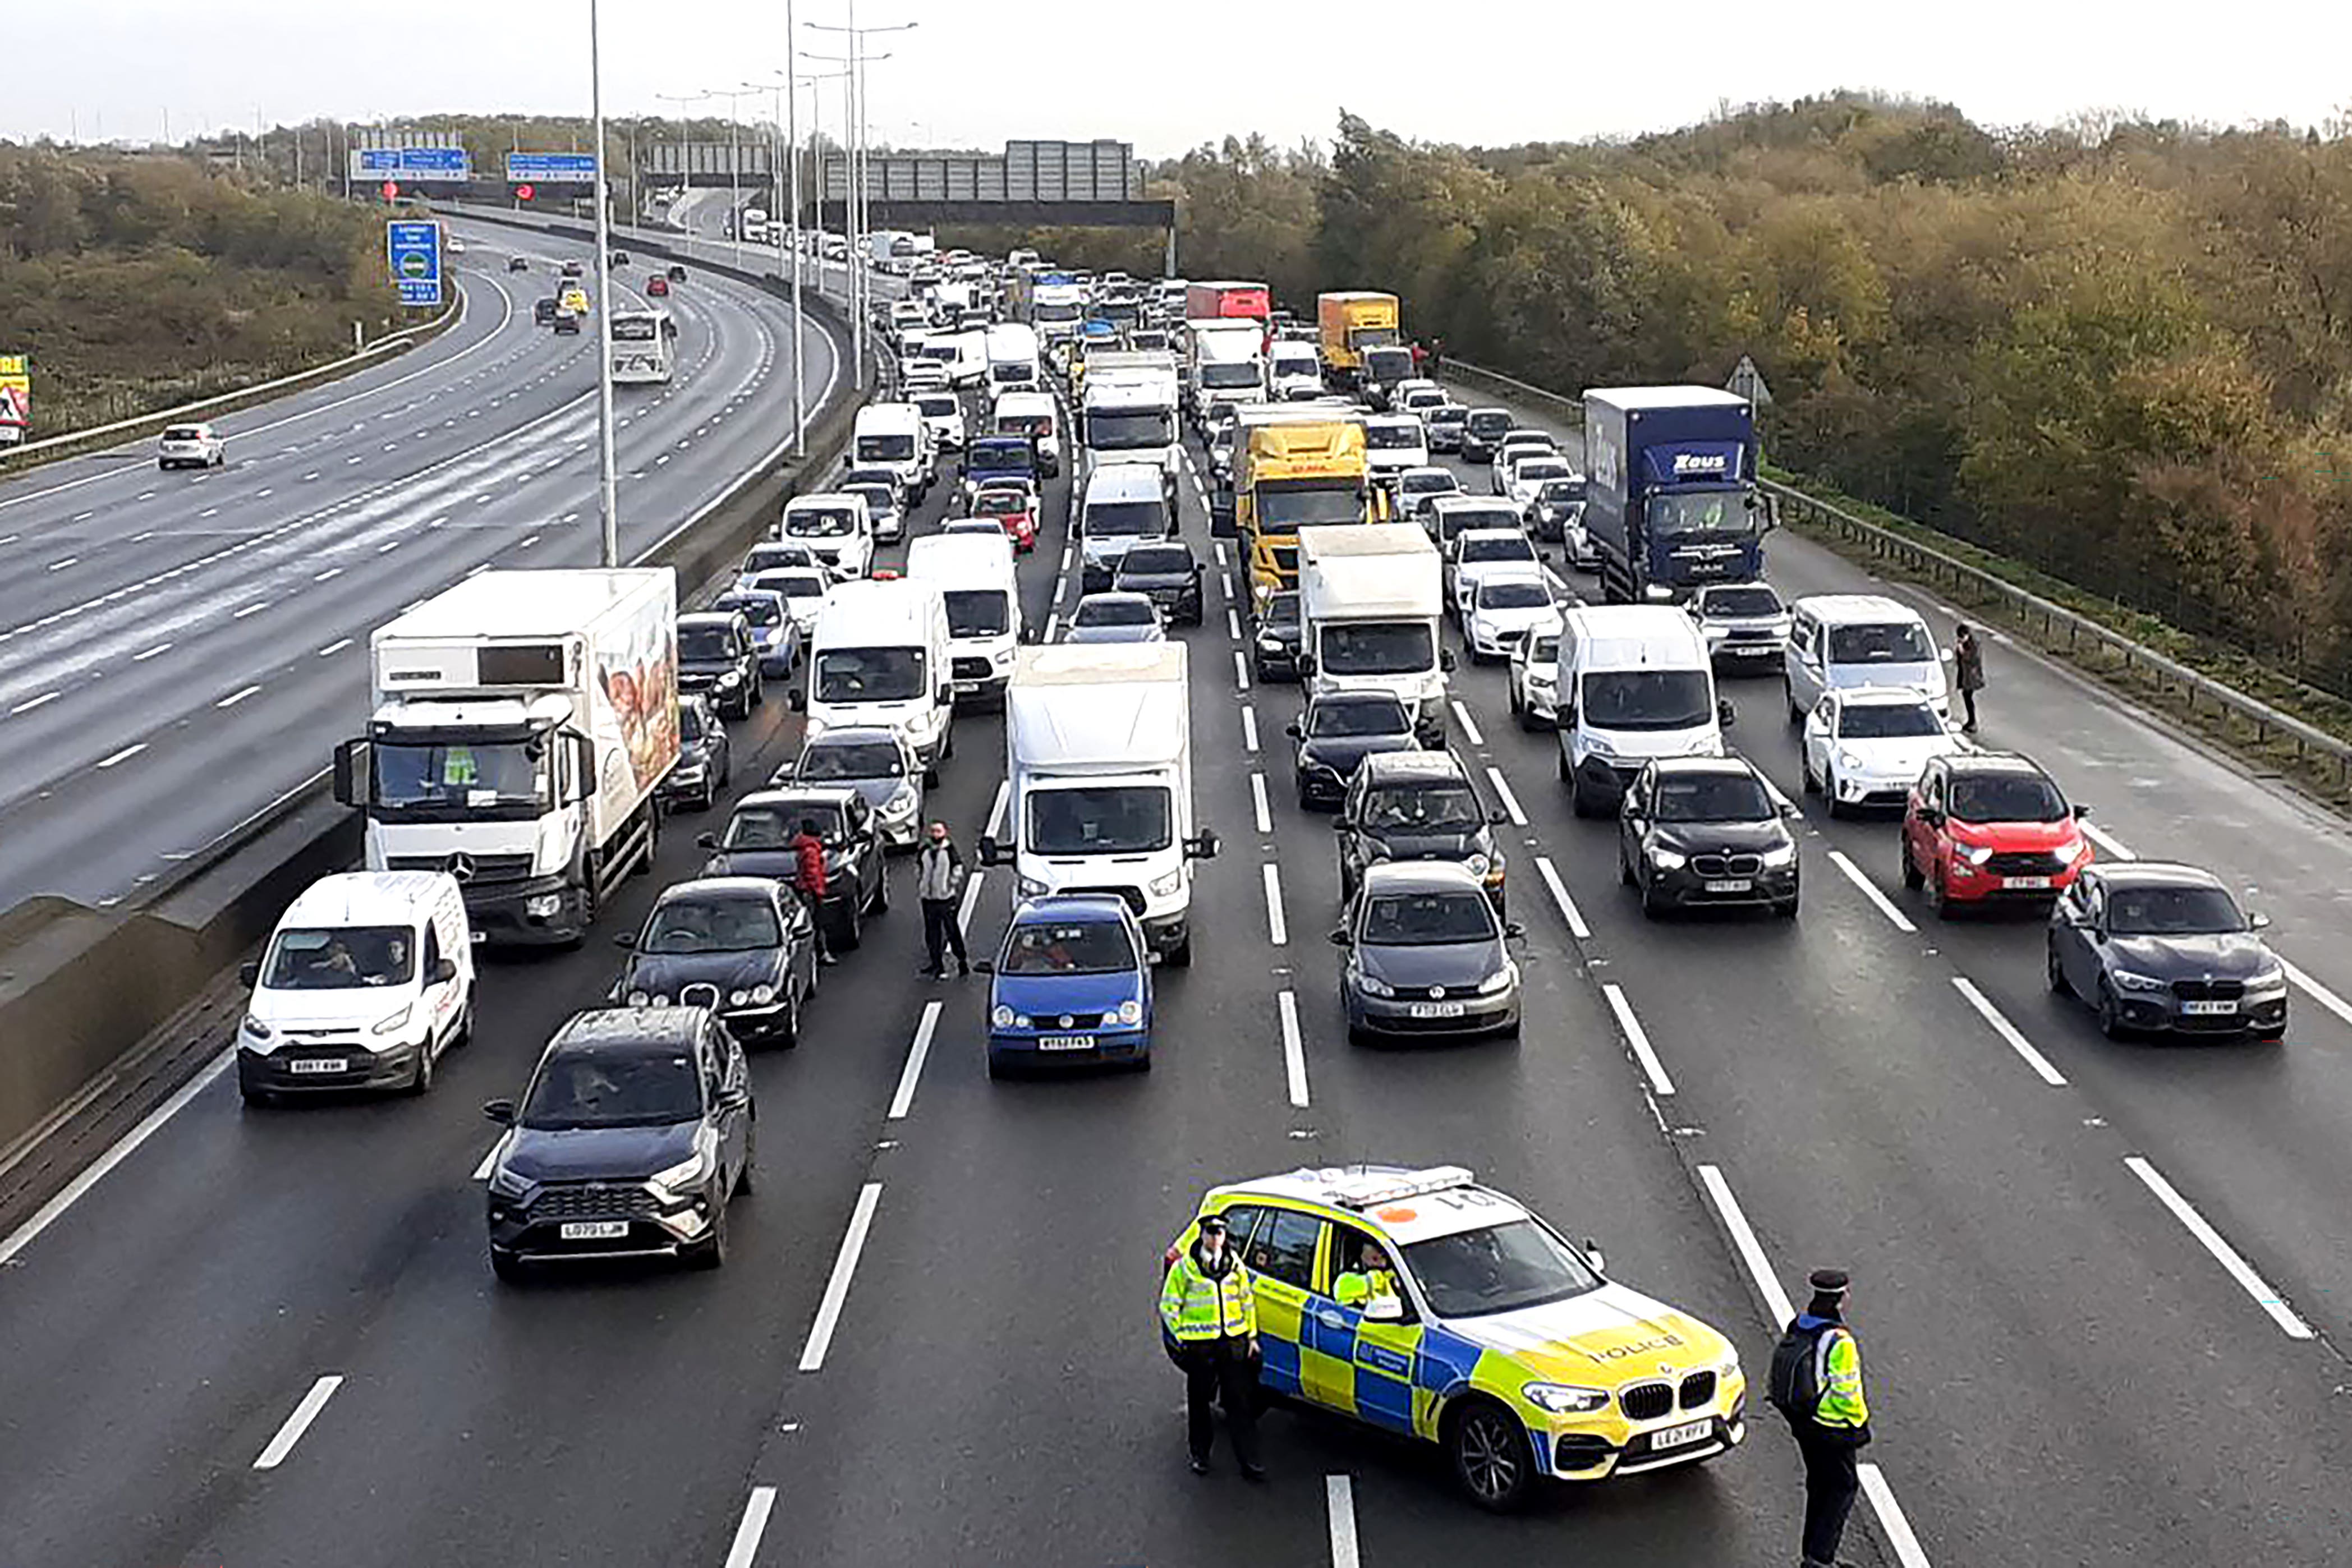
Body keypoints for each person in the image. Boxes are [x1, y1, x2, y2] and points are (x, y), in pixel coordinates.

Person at [1776, 1268, 1871, 1568]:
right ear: (1841, 1299)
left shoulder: (1800, 1325)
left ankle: (1814, 1552)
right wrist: (1859, 1425)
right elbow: (1847, 1392)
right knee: (1843, 1488)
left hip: (1803, 1422)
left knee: (1818, 1486)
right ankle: (1820, 1560)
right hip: (1832, 1427)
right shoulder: (1839, 1340)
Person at [1158, 1213, 1264, 1479]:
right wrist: (1183, 1337)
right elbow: (1169, 1306)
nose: (1215, 1238)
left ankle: (1249, 1461)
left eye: (1220, 1233)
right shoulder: (1185, 1269)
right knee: (1199, 1401)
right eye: (1210, 1232)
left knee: (1240, 1402)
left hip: (1233, 1342)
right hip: (1201, 1346)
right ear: (1202, 1235)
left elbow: (1246, 1300)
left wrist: (1251, 1337)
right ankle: (1200, 1455)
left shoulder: (1235, 1265)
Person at [914, 821, 971, 979]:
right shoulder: (925, 850)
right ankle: (936, 964)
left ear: (945, 833)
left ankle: (962, 960)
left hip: (945, 899)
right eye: (933, 831)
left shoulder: (949, 850)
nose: (935, 834)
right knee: (932, 933)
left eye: (938, 831)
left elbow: (958, 868)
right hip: (928, 898)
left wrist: (949, 885)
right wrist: (922, 885)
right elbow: (918, 867)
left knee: (952, 931)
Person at [790, 818, 839, 967]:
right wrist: (819, 893)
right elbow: (813, 874)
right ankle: (821, 954)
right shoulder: (811, 850)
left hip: (804, 891)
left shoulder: (804, 848)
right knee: (817, 924)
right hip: (811, 893)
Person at [1333, 1238, 1399, 1312]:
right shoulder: (1346, 1281)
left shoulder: (1392, 1274)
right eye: (1375, 1259)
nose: (1382, 1264)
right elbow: (1340, 1290)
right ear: (1363, 1257)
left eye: (1384, 1258)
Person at [1951, 623, 1985, 733]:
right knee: (1966, 697)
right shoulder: (1964, 643)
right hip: (1965, 674)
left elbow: (1973, 658)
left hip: (1972, 676)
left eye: (1962, 637)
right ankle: (1971, 721)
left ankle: (1973, 722)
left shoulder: (1974, 644)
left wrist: (1962, 651)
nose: (1961, 640)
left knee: (1968, 697)